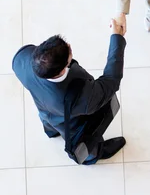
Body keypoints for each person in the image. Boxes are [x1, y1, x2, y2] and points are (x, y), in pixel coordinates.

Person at [12, 19, 127, 165]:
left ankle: (51, 132)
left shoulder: (21, 59)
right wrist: (117, 37)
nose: (69, 46)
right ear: (60, 70)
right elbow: (111, 81)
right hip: (71, 123)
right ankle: (94, 154)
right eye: (68, 51)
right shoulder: (82, 97)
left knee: (49, 121)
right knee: (86, 141)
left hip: (44, 110)